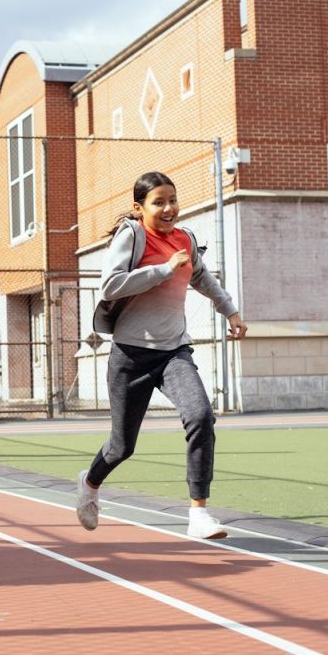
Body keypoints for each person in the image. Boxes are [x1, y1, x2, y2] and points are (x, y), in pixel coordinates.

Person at [76, 171, 247, 540]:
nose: (169, 208)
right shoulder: (133, 235)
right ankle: (89, 484)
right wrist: (162, 269)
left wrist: (230, 311)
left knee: (201, 416)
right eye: (159, 202)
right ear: (140, 208)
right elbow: (110, 285)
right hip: (130, 356)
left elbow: (201, 277)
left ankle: (198, 513)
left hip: (173, 353)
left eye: (173, 199)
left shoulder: (185, 238)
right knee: (122, 447)